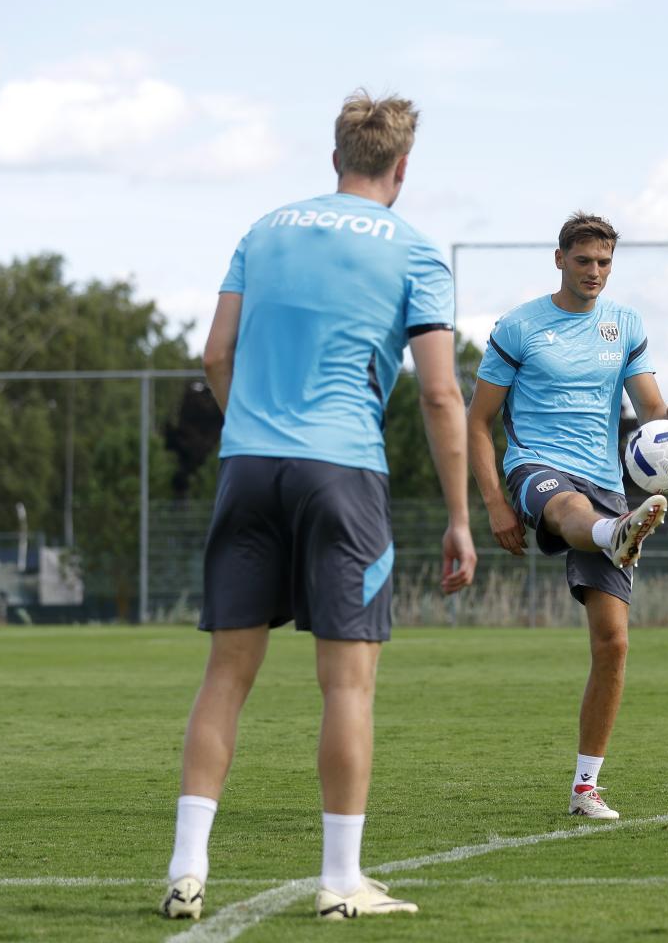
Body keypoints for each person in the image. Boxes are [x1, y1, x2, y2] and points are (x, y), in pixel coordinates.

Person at [160, 90, 476, 922]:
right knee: (347, 685)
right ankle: (340, 882)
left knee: (226, 674)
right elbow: (440, 395)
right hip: (342, 471)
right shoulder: (416, 251)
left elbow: (215, 354)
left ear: (336, 157)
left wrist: (252, 426)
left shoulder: (264, 231)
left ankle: (186, 870)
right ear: (402, 168)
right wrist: (459, 517)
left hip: (247, 466)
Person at [467, 212, 668, 821]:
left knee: (613, 643)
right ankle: (612, 534)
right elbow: (476, 422)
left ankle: (585, 788)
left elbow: (650, 410)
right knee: (570, 509)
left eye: (604, 262)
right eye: (583, 261)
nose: (594, 272)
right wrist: (494, 504)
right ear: (559, 259)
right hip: (536, 467)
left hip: (606, 481)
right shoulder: (518, 327)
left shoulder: (625, 324)